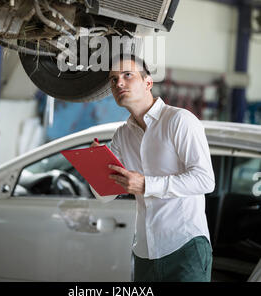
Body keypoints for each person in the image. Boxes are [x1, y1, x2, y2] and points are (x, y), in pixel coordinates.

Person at [90, 53, 215, 282]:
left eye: (128, 75)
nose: (119, 83)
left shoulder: (179, 121)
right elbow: (105, 196)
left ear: (148, 82)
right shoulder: (122, 135)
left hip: (185, 246)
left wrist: (147, 184)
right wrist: (94, 165)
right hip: (145, 252)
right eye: (113, 79)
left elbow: (205, 180)